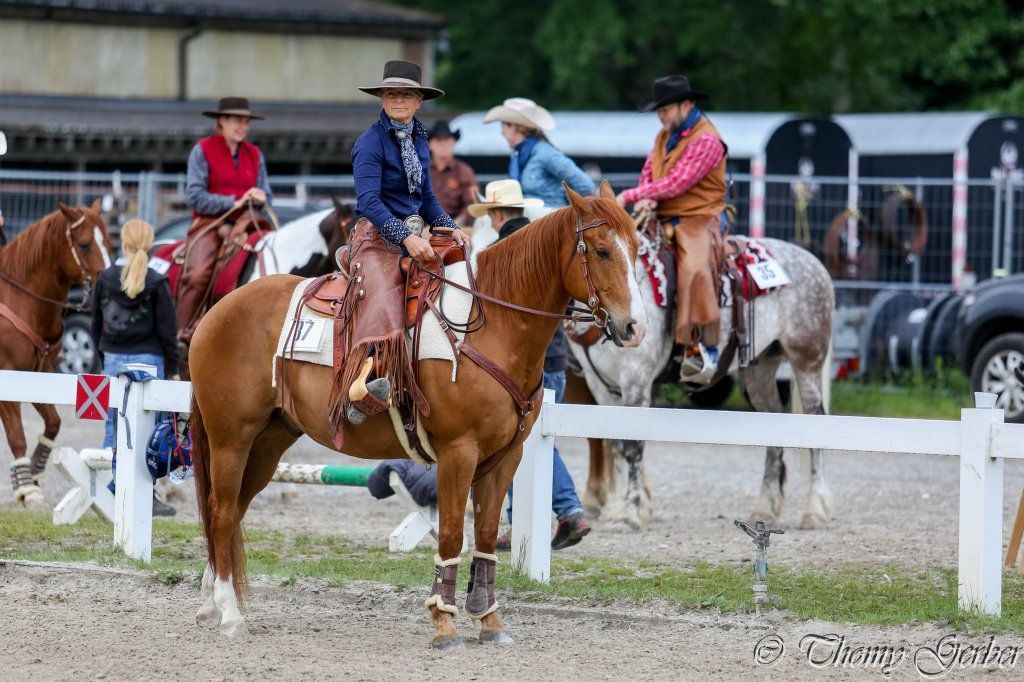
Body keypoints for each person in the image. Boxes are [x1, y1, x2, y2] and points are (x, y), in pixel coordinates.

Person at [467, 179, 591, 551]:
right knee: (525, 438)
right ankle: (515, 518)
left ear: (497, 214)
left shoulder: (499, 253)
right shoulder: (549, 248)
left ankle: (568, 509)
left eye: (490, 214)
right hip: (553, 358)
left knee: (514, 438)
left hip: (514, 366)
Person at [348, 60, 468, 423]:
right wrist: (404, 236)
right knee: (383, 294)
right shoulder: (368, 143)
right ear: (383, 98)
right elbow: (368, 201)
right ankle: (361, 385)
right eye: (391, 93)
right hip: (376, 236)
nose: (398, 99)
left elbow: (427, 198)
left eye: (407, 94)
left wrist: (449, 227)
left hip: (416, 236)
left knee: (461, 282)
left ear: (418, 101)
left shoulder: (419, 138)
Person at [615, 75, 728, 384]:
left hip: (699, 218)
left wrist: (631, 196)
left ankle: (703, 346)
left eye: (665, 109)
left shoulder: (707, 140)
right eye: (659, 109)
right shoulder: (664, 134)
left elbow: (679, 181)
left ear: (686, 105)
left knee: (694, 269)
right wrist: (646, 195)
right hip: (664, 216)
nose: (660, 115)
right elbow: (649, 172)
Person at [90, 219, 179, 515]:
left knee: (113, 426)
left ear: (124, 244)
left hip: (113, 357)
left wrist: (104, 357)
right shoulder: (156, 282)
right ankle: (141, 494)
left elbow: (95, 324)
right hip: (150, 360)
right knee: (147, 431)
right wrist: (172, 367)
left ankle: (109, 493)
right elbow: (168, 331)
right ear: (149, 246)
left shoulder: (104, 278)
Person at [176, 96, 273, 346]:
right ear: (222, 121)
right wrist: (236, 200)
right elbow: (195, 196)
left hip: (246, 225)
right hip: (209, 224)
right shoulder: (202, 150)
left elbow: (266, 193)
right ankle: (181, 332)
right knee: (198, 274)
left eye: (246, 122)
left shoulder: (255, 154)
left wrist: (259, 198)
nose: (243, 126)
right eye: (237, 121)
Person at [484, 97, 596, 207]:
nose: (502, 132)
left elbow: (586, 186)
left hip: (551, 221)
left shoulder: (545, 154)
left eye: (503, 126)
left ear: (513, 127)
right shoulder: (517, 155)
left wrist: (567, 214)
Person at [427, 120, 479, 227]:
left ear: (454, 142)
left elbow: (472, 203)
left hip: (456, 229)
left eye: (446, 140)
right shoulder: (421, 171)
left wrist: (456, 224)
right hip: (424, 228)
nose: (443, 144)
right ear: (430, 144)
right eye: (438, 140)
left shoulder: (464, 171)